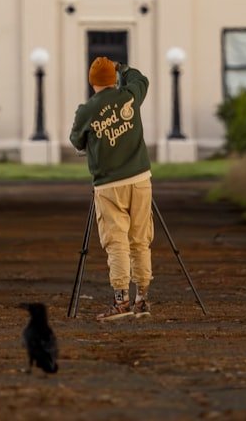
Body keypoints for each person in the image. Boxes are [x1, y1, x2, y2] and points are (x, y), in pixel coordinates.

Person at [69, 57, 153, 321]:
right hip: (140, 179)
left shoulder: (87, 110)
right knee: (140, 240)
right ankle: (142, 299)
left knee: (116, 242)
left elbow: (76, 140)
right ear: (112, 78)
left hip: (108, 186)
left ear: (92, 81)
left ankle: (121, 301)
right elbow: (142, 80)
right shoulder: (128, 96)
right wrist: (123, 70)